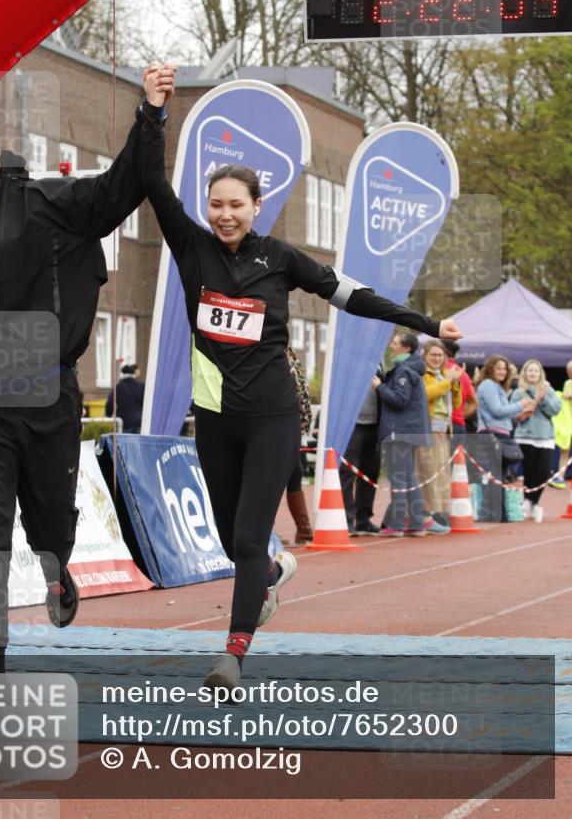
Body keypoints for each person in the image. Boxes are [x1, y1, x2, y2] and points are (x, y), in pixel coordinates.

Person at [141, 63, 463, 691]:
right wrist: (154, 113)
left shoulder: (281, 259)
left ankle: (232, 653)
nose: (225, 214)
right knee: (240, 544)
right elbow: (152, 181)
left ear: (258, 207)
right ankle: (267, 570)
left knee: (245, 533)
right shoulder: (191, 246)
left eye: (237, 205)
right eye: (217, 205)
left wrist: (425, 323)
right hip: (213, 418)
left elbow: (356, 295)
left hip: (271, 416)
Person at [0, 86, 167, 673]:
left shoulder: (47, 203)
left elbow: (120, 189)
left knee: (50, 518)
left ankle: (57, 568)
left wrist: (150, 117)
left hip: (48, 391)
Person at [376, 331, 448, 538]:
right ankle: (416, 522)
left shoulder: (404, 371)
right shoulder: (411, 369)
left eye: (395, 343)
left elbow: (399, 400)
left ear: (406, 348)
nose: (391, 345)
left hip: (401, 431)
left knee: (399, 478)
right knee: (408, 478)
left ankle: (397, 524)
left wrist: (379, 387)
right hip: (409, 431)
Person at [415, 339, 463, 527]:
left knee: (441, 474)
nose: (436, 358)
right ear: (425, 356)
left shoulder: (444, 374)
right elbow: (425, 394)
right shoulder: (422, 374)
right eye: (433, 355)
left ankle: (439, 511)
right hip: (428, 428)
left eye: (440, 355)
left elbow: (457, 404)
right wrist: (447, 382)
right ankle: (427, 512)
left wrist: (455, 384)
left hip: (445, 429)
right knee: (428, 472)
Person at [510, 360, 562, 522]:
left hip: (546, 436)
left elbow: (555, 410)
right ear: (524, 373)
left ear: (541, 373)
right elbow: (513, 414)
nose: (533, 374)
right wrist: (528, 407)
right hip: (526, 436)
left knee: (544, 472)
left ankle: (533, 501)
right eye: (530, 371)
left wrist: (542, 399)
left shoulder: (549, 390)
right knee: (530, 471)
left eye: (536, 371)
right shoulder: (519, 392)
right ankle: (527, 502)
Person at [475, 354, 535, 484]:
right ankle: (493, 504)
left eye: (504, 369)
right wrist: (520, 405)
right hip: (492, 435)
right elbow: (497, 411)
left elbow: (502, 415)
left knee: (499, 478)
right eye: (499, 368)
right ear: (490, 369)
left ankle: (498, 504)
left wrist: (519, 417)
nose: (503, 372)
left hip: (500, 434)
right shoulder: (488, 385)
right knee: (494, 479)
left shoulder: (497, 386)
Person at [338, 375, 382, 536]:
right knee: (348, 471)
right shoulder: (351, 360)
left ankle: (363, 519)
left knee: (371, 471)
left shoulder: (379, 362)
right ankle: (346, 519)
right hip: (352, 424)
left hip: (376, 424)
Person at [284, 346, 313, 545]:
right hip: (273, 419)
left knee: (295, 472)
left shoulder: (291, 354)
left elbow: (302, 389)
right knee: (273, 477)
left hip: (292, 420)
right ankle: (266, 532)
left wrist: (304, 420)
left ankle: (304, 530)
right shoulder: (266, 352)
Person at [105, 363, 145, 432]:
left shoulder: (118, 387)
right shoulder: (141, 386)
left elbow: (110, 403)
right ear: (133, 374)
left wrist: (108, 414)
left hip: (123, 423)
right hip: (139, 423)